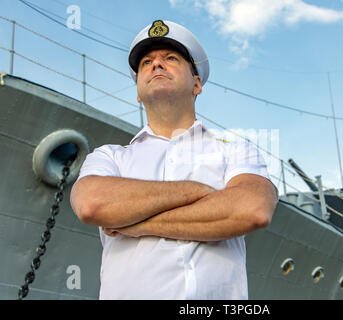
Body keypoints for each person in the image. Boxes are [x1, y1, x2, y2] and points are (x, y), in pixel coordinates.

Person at [70, 19, 278, 300]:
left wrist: (134, 223)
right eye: (146, 62)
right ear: (137, 93)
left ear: (196, 84)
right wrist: (197, 192)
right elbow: (91, 204)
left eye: (170, 58)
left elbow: (252, 209)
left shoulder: (237, 151)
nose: (156, 64)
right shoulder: (109, 156)